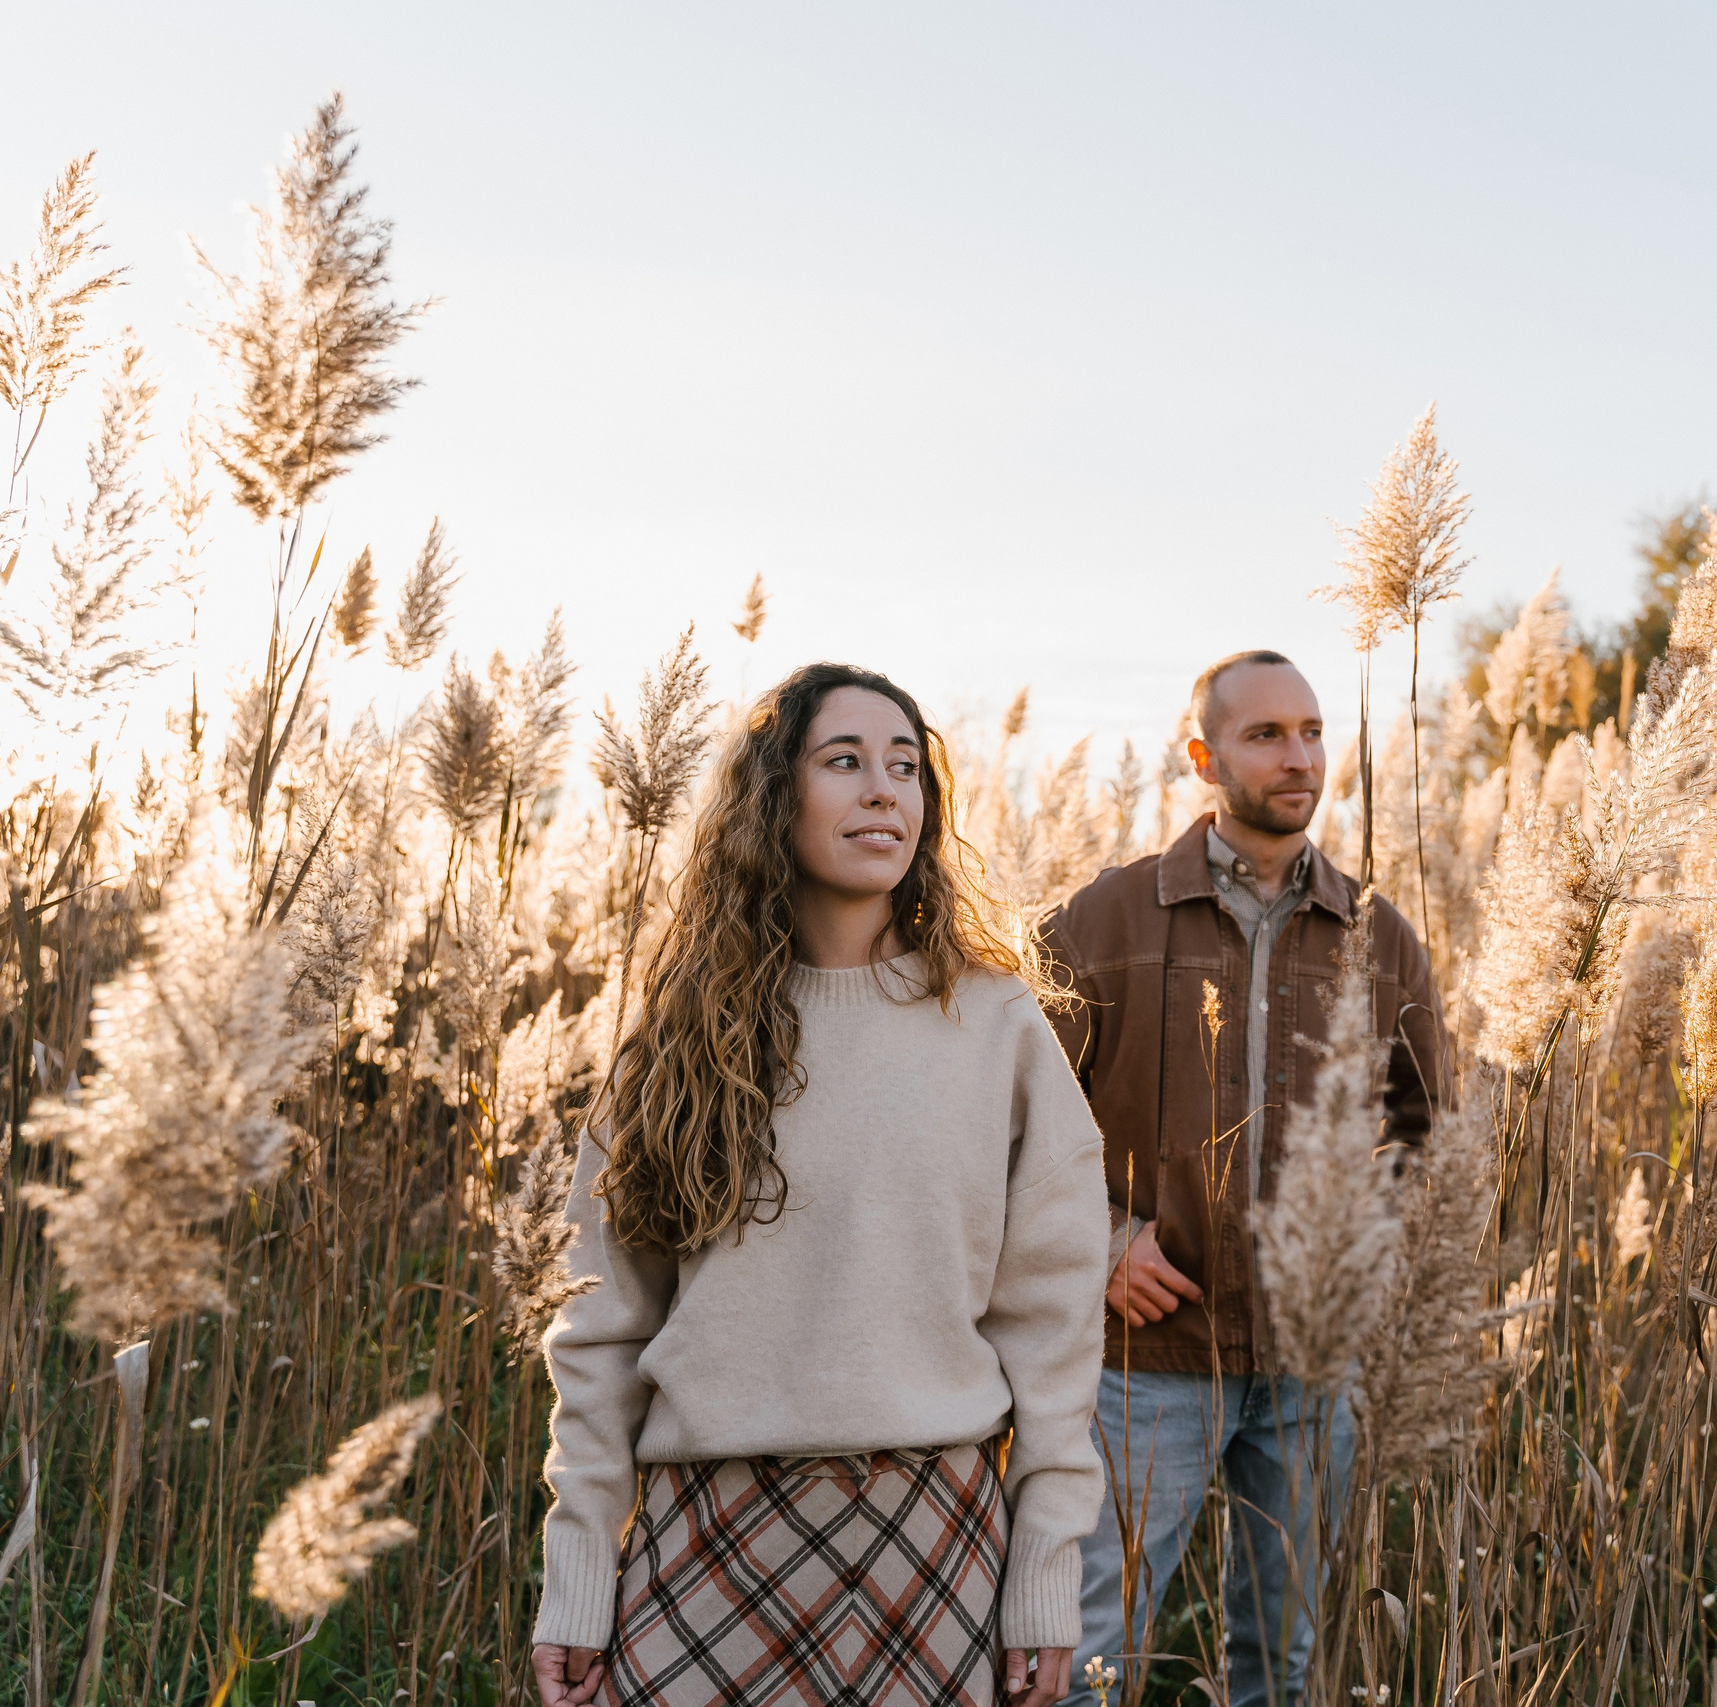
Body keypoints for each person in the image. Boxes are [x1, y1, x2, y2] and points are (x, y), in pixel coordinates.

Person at [530, 662, 1112, 1707]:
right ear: (772, 798)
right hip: (708, 1535)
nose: (884, 789)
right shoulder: (677, 1044)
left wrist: (1043, 1579)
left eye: (905, 766)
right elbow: (602, 1325)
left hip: (932, 1534)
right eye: (843, 761)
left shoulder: (996, 1028)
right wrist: (576, 1581)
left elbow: (1054, 1334)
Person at [1037, 649, 1442, 1707]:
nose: (1298, 755)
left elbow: (1422, 1133)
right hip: (1143, 1364)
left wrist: (1356, 1266)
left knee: (1285, 1664)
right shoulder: (1105, 920)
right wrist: (1101, 1239)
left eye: (1310, 730)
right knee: (1086, 1658)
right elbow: (1009, 1119)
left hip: (1312, 1369)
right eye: (1265, 735)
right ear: (1202, 755)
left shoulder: (1378, 936)